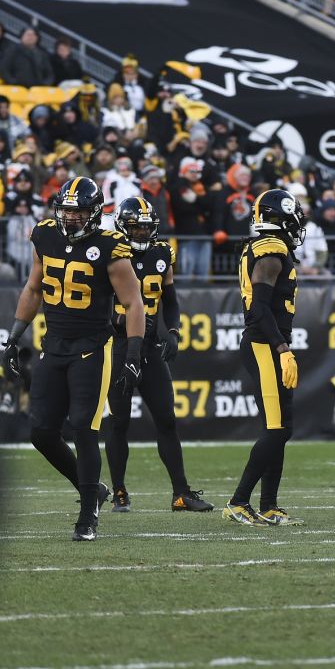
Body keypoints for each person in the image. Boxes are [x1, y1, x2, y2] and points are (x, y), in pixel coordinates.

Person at [0, 176, 147, 541]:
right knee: (42, 433)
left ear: (95, 212)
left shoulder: (111, 246)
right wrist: (13, 337)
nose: (71, 218)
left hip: (93, 347)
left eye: (79, 211)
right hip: (54, 346)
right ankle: (92, 489)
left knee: (84, 427)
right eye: (66, 211)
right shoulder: (45, 235)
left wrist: (133, 352)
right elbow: (34, 288)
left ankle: (87, 517)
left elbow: (133, 303)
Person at [103, 197, 214, 514]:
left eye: (146, 227)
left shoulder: (163, 252)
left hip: (150, 347)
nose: (141, 232)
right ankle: (120, 492)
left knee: (166, 419)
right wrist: (123, 321)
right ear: (124, 226)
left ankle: (181, 494)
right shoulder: (112, 252)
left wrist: (175, 331)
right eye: (136, 226)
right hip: (120, 346)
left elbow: (172, 301)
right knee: (119, 422)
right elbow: (99, 305)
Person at [222, 190, 311, 527]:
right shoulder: (272, 251)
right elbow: (259, 306)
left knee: (282, 428)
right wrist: (281, 347)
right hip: (264, 345)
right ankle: (238, 501)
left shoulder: (263, 246)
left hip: (267, 343)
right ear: (282, 217)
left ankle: (269, 505)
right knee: (276, 429)